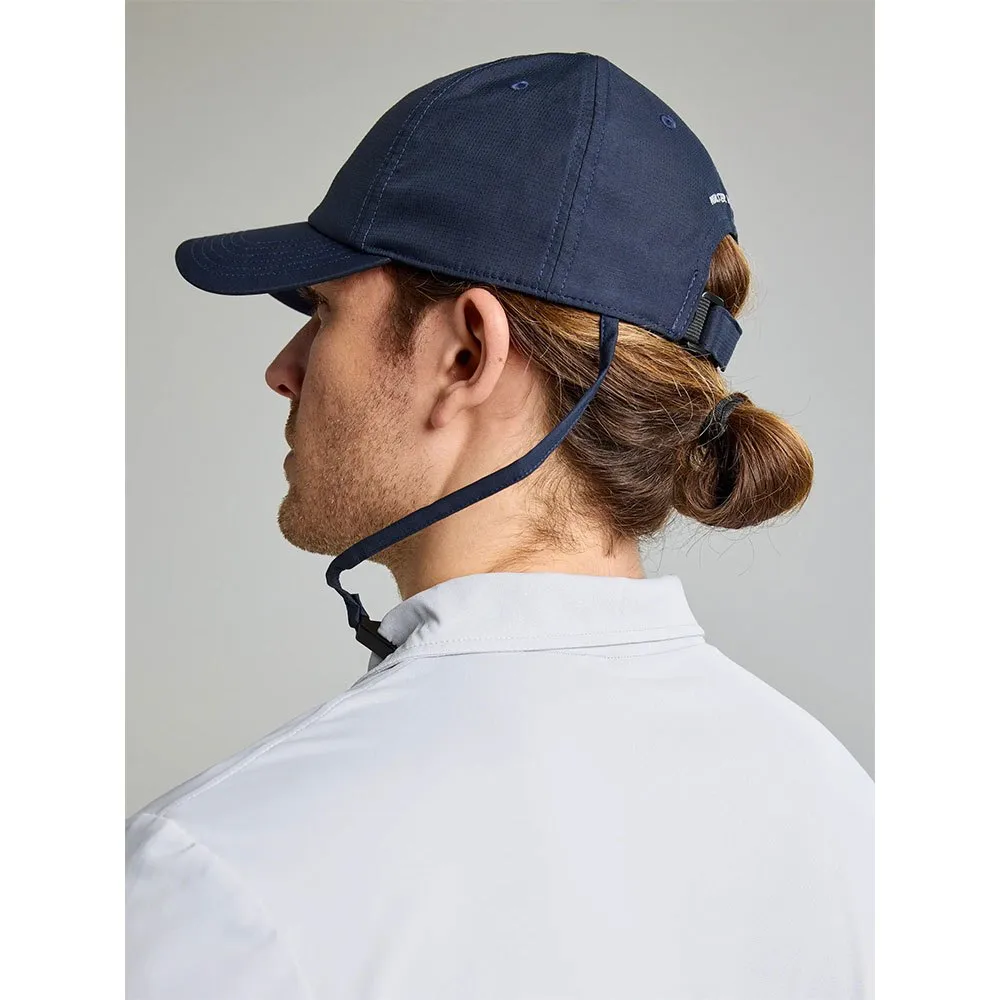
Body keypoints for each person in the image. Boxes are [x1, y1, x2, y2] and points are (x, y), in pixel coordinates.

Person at [127, 51, 873, 999]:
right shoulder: (849, 821)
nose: (285, 368)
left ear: (467, 354)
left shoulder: (214, 878)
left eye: (323, 310)